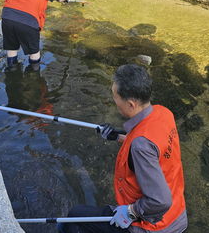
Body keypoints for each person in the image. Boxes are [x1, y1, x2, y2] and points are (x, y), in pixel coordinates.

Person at [60, 64, 188, 233]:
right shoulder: (163, 113)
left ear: (131, 104)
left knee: (73, 216)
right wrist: (117, 136)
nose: (114, 101)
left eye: (115, 97)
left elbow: (161, 200)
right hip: (178, 214)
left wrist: (131, 212)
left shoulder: (140, 146)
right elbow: (155, 147)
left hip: (154, 226)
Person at [1, 0, 69, 70]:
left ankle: (12, 72)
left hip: (8, 16)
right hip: (29, 20)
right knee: (34, 52)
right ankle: (34, 75)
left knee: (11, 49)